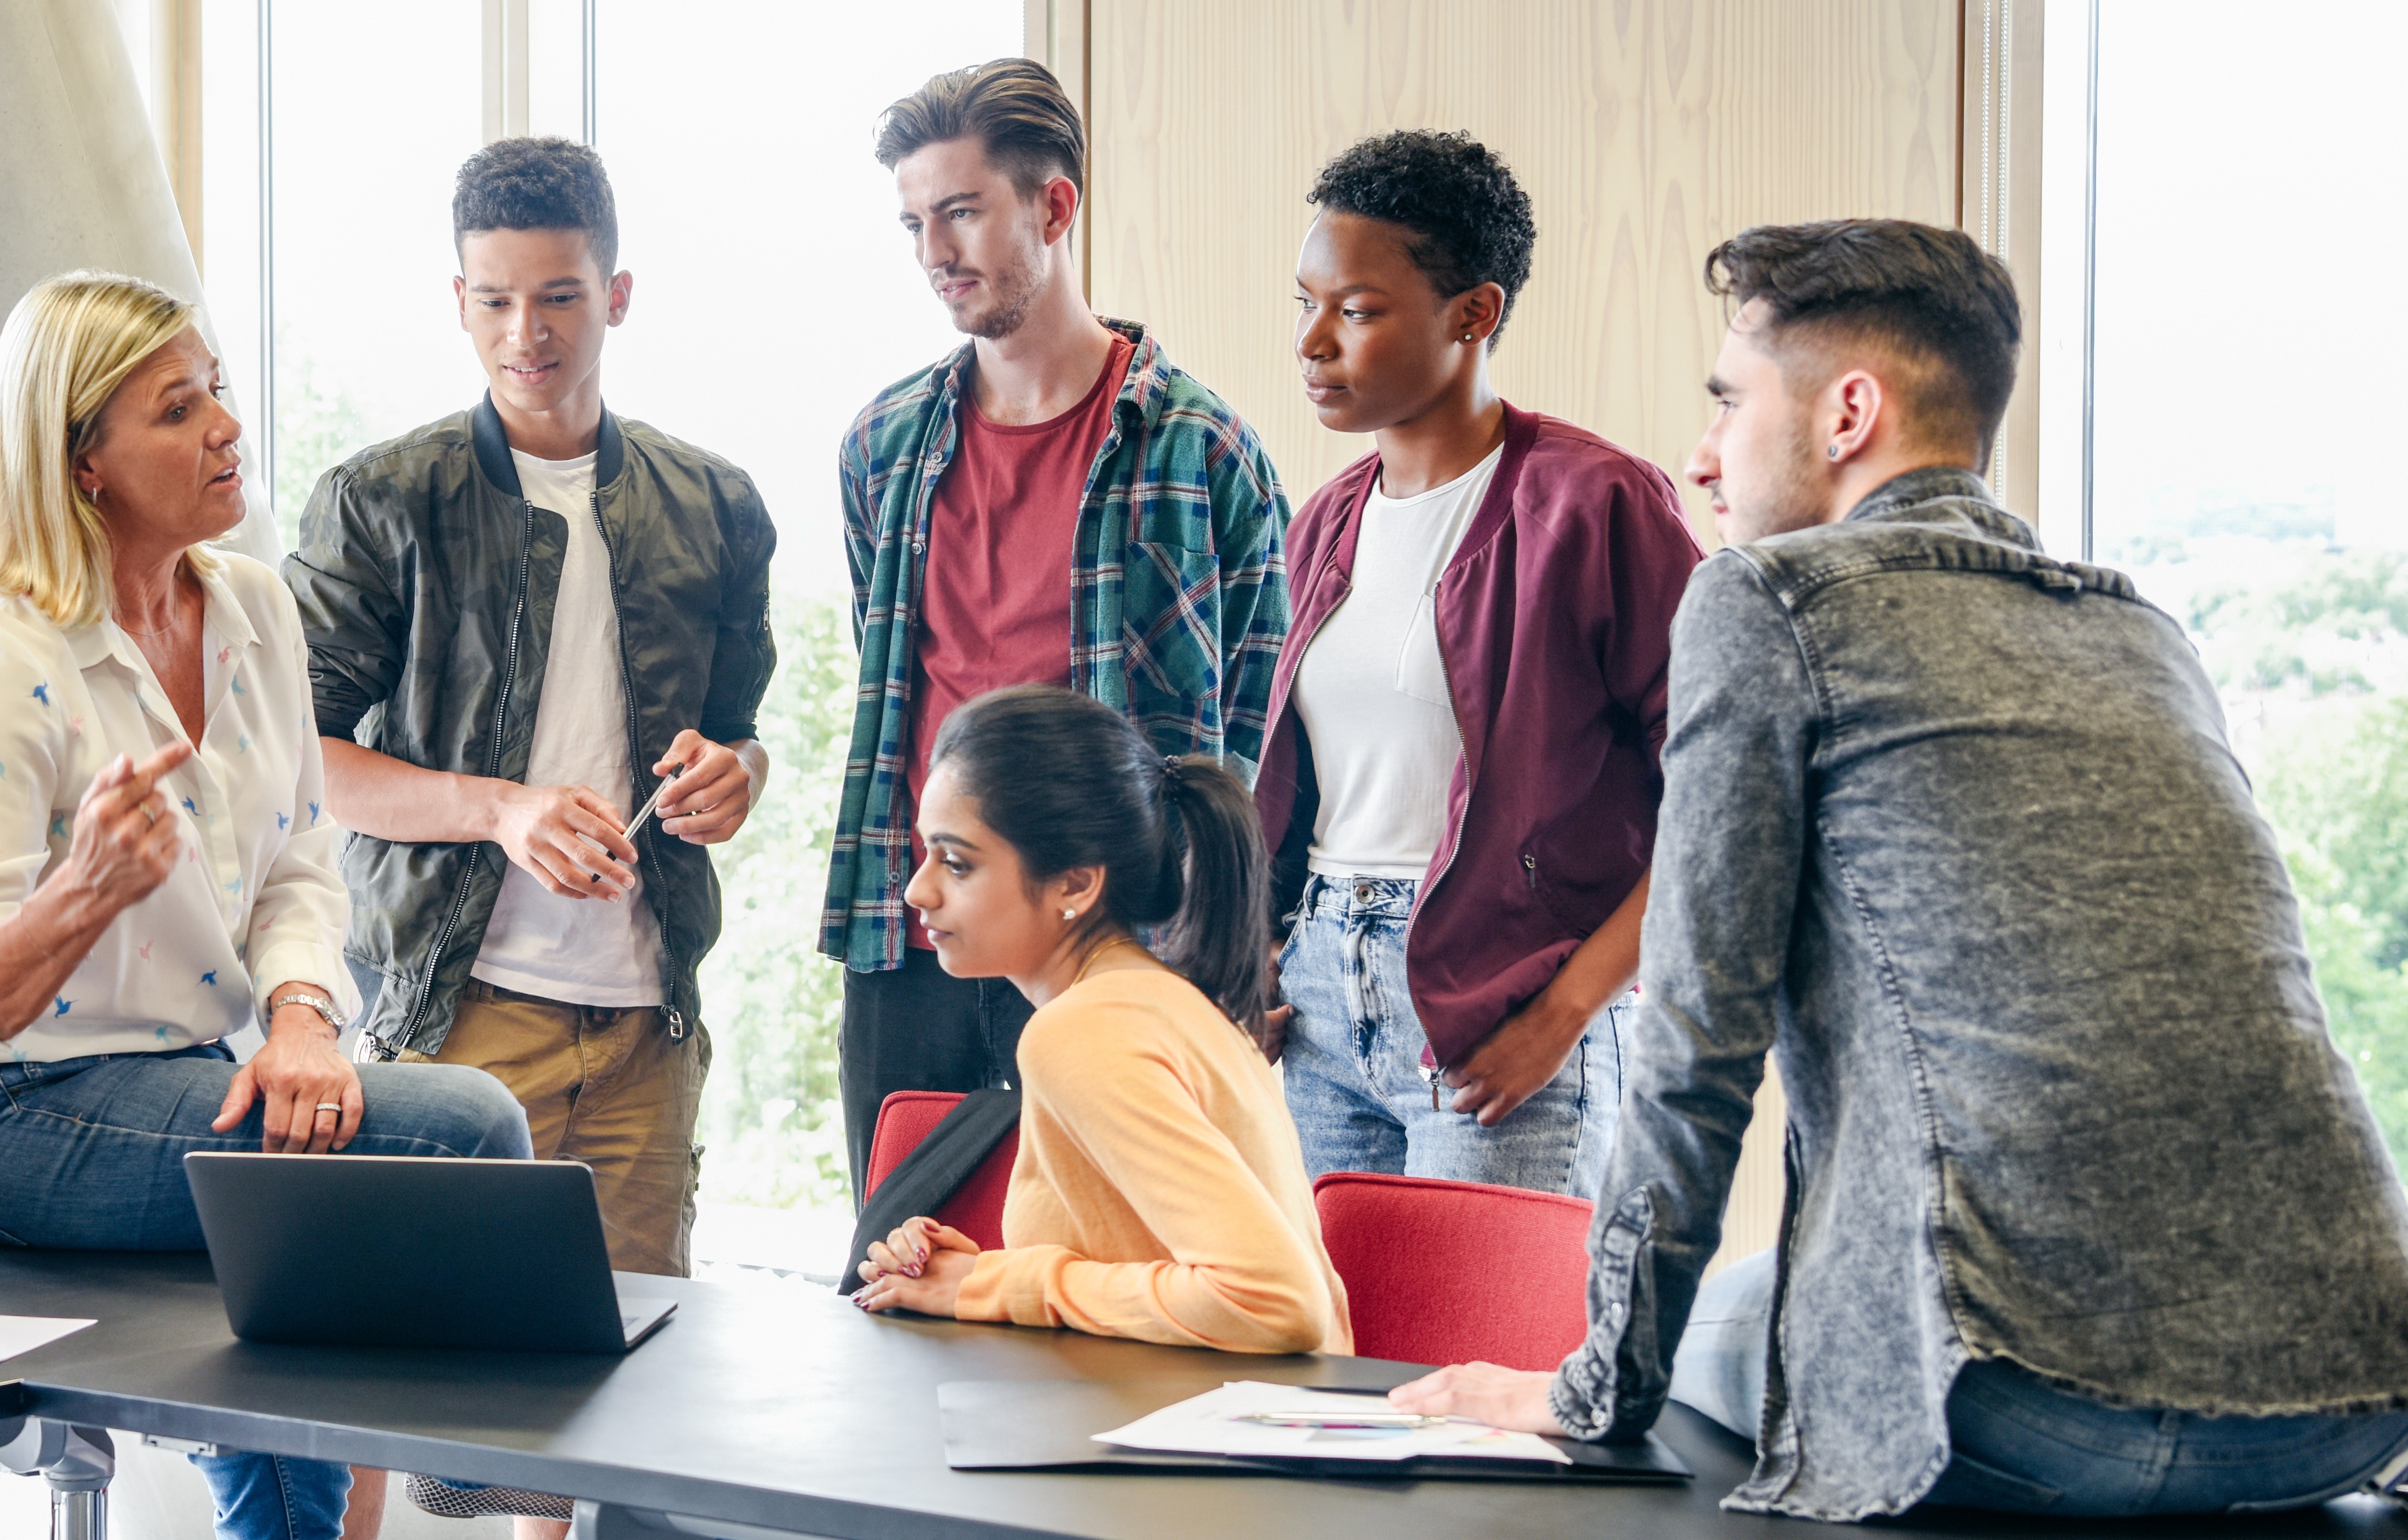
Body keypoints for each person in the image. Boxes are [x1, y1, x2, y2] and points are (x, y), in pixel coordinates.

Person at [1389, 220, 2408, 1520]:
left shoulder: (1773, 599)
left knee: (1744, 1323)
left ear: (1848, 411)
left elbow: (1698, 1040)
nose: (1702, 456)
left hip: (2030, 1401)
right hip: (2350, 1394)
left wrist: (1592, 1388)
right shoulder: (2140, 627)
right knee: (1768, 1287)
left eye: (1730, 402)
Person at [0, 271, 534, 1540]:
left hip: (182, 1066)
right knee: (461, 1127)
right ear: (84, 466)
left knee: (324, 1204)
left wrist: (302, 1018)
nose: (225, 426)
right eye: (177, 409)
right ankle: (497, 1460)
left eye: (218, 391)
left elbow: (296, 858)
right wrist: (79, 895)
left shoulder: (250, 606)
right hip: (2, 1106)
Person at [290, 137, 775, 1282]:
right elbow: (290, 758)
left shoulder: (714, 502)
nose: (528, 333)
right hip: (459, 1020)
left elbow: (740, 728)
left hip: (649, 1026)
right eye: (497, 300)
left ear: (615, 294)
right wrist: (501, 810)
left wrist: (739, 773)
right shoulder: (381, 501)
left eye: (559, 296)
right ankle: (474, 1485)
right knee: (470, 1410)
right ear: (459, 303)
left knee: (630, 1387)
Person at [826, 58, 1287, 1183]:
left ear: (1054, 205)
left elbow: (1256, 732)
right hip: (918, 937)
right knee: (904, 1274)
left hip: (1119, 942)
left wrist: (1237, 958)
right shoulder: (883, 446)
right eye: (914, 223)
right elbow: (887, 686)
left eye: (963, 212)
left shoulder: (1201, 449)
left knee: (1116, 1285)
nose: (936, 251)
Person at [1257, 131, 1700, 1198]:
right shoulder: (1323, 523)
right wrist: (1259, 957)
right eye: (1306, 303)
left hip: (1501, 1005)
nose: (1314, 342)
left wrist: (1562, 1017)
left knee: (1482, 1359)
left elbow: (1720, 797)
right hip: (1321, 998)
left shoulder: (1597, 504)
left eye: (1356, 311)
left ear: (1475, 313)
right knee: (1347, 1356)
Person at [848, 687, 1349, 1355]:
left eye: (957, 862)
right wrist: (971, 1274)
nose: (917, 890)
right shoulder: (1157, 1000)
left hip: (1211, 1444)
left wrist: (998, 1284)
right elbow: (1151, 1257)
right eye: (926, 853)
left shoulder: (1084, 1029)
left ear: (1076, 885)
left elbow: (1272, 1300)